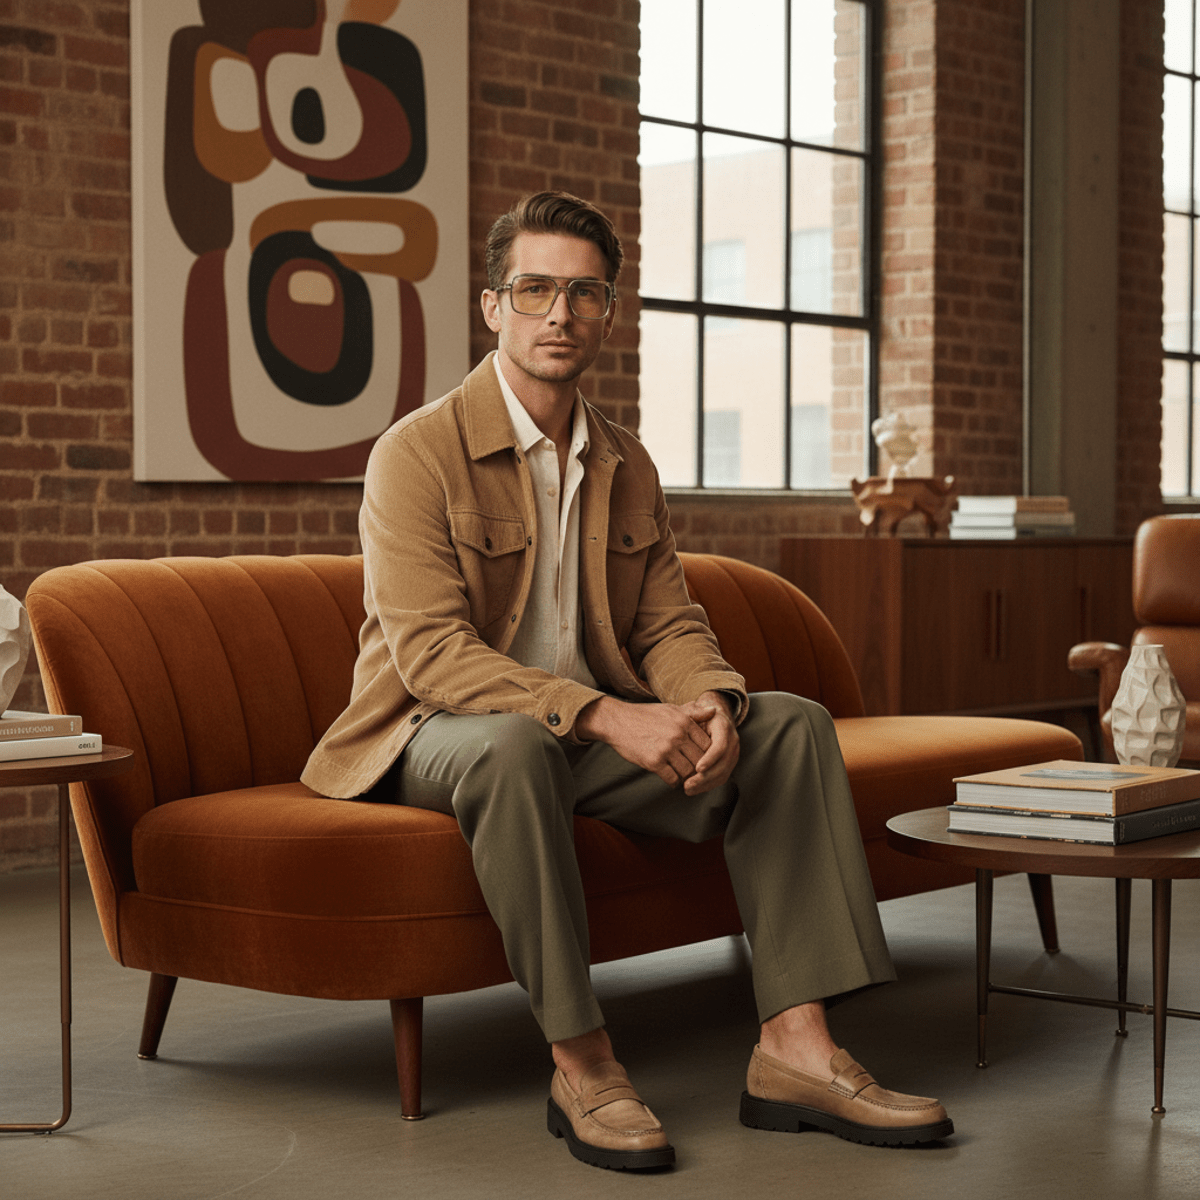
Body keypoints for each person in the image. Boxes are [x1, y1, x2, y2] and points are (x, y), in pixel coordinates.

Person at [302, 191, 954, 1170]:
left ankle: (797, 1047)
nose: (558, 314)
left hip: (576, 737)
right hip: (433, 731)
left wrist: (710, 703)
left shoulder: (625, 463)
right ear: (492, 307)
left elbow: (667, 623)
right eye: (534, 289)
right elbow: (432, 657)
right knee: (516, 746)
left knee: (790, 725)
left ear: (608, 312)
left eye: (584, 293)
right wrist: (608, 716)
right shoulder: (416, 454)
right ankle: (584, 1062)